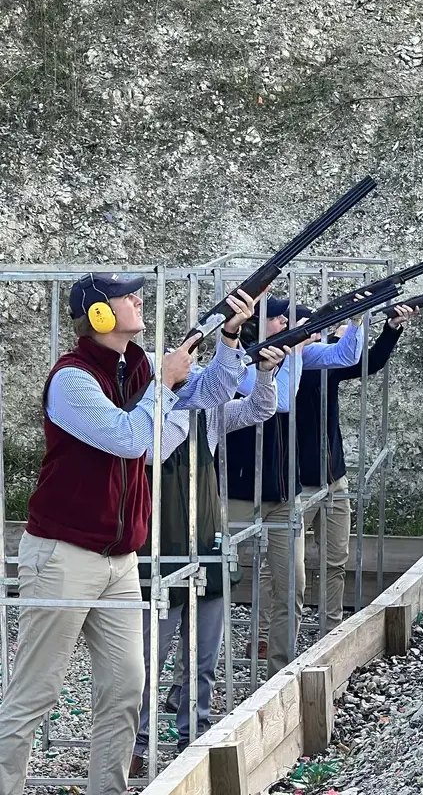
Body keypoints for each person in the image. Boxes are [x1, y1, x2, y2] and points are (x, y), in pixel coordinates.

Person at [0, 272, 258, 795]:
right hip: (63, 555)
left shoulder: (135, 366)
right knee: (36, 693)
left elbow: (205, 396)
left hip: (120, 559)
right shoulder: (72, 379)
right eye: (127, 296)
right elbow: (131, 440)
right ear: (98, 315)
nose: (139, 300)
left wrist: (229, 338)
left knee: (125, 691)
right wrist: (163, 382)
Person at [129, 343, 287, 775]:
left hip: (206, 542)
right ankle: (138, 743)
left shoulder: (209, 412)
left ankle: (192, 739)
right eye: (186, 367)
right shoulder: (144, 417)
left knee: (203, 658)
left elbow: (258, 409)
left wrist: (268, 372)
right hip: (159, 546)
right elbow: (153, 451)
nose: (192, 371)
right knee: (147, 659)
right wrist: (192, 395)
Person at [256, 303, 419, 650]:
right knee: (282, 570)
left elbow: (367, 362)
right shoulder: (280, 367)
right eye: (310, 327)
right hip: (295, 485)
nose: (318, 334)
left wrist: (390, 328)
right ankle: (266, 638)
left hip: (333, 478)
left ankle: (331, 635)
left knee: (335, 562)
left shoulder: (320, 361)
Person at [225, 295, 367, 678]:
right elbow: (281, 400)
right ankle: (192, 677)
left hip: (283, 491)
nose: (286, 323)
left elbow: (345, 357)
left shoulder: (294, 355)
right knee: (211, 591)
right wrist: (299, 348)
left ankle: (279, 676)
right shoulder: (239, 362)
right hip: (237, 491)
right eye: (278, 319)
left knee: (293, 587)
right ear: (257, 325)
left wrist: (355, 321)